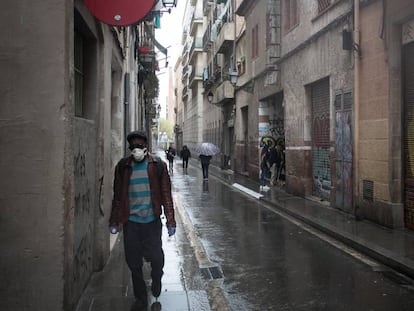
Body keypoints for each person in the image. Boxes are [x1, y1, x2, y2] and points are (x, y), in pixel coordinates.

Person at [109, 130, 176, 309]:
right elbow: (117, 196)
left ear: (145, 146)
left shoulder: (158, 165)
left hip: (152, 221)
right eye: (133, 146)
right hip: (131, 223)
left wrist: (171, 221)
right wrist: (114, 221)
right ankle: (140, 296)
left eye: (139, 146)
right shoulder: (123, 167)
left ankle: (156, 278)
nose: (136, 149)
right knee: (133, 261)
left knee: (156, 257)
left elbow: (166, 195)